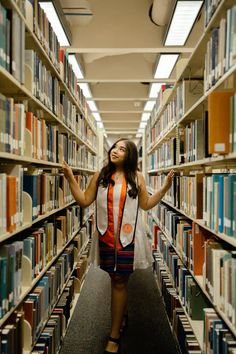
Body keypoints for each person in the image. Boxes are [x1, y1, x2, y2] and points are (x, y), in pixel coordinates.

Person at [62, 138, 174, 354]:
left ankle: (114, 336)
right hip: (106, 237)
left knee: (120, 282)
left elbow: (146, 204)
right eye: (115, 147)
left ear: (129, 155)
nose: (115, 151)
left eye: (122, 149)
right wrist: (69, 178)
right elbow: (84, 201)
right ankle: (121, 315)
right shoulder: (101, 176)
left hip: (127, 239)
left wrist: (165, 188)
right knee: (115, 279)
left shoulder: (137, 177)